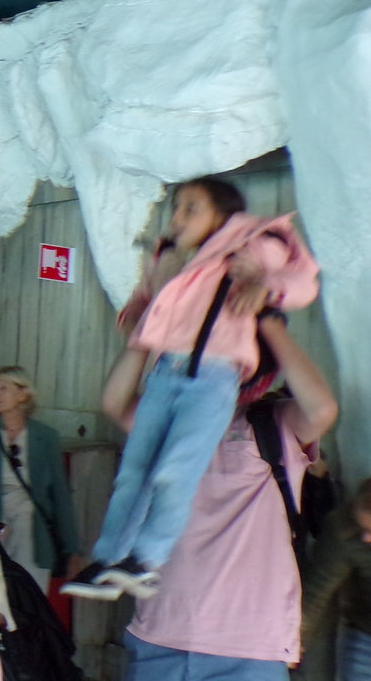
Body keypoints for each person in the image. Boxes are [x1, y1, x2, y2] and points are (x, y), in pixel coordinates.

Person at [67, 178, 320, 598]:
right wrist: (135, 317)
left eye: (191, 208)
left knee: (176, 468)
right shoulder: (173, 261)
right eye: (177, 207)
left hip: (214, 374)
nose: (178, 218)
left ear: (223, 216)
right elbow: (142, 302)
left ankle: (147, 558)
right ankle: (110, 558)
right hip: (166, 371)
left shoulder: (255, 240)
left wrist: (262, 284)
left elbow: (302, 280)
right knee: (135, 469)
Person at [104, 309, 336, 678]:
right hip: (161, 631)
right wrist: (145, 335)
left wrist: (268, 322)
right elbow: (115, 403)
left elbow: (322, 409)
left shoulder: (273, 424)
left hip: (249, 644)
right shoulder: (168, 422)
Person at [0, 366, 80, 592]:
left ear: (23, 394)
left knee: (32, 597)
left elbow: (60, 495)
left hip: (32, 532)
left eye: (3, 388)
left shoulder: (44, 437)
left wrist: (72, 548)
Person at [303, 477, 371, 680]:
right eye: (364, 529)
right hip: (366, 637)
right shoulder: (344, 529)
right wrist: (293, 642)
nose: (366, 539)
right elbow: (315, 592)